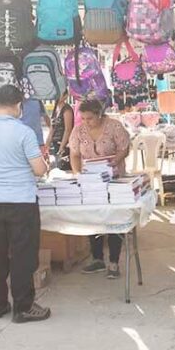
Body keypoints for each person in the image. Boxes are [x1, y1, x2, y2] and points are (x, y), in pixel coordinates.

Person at [0, 85, 51, 323]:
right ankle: (23, 307)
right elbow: (38, 169)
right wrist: (43, 165)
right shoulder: (23, 132)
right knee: (23, 256)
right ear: (18, 106)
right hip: (21, 201)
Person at [69, 99, 131, 279]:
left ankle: (113, 261)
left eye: (90, 118)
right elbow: (74, 154)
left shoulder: (114, 126)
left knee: (113, 218)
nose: (86, 122)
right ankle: (97, 258)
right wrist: (77, 174)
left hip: (113, 178)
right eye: (83, 118)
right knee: (93, 217)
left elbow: (124, 148)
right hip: (90, 181)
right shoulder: (78, 130)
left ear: (99, 114)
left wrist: (114, 161)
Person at [45, 90, 74, 171]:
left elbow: (68, 130)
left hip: (63, 143)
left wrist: (61, 148)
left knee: (62, 167)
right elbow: (51, 129)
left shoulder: (67, 109)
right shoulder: (55, 108)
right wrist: (46, 146)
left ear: (65, 96)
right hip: (54, 144)